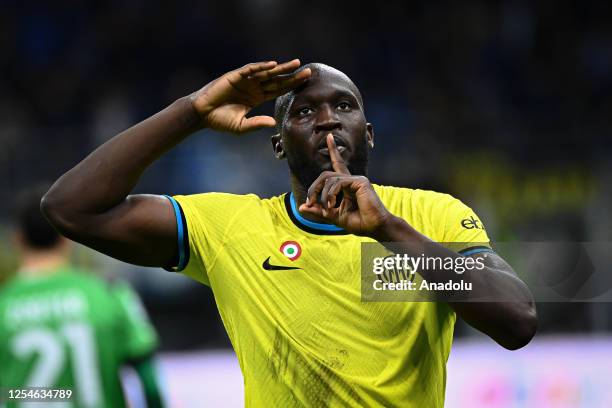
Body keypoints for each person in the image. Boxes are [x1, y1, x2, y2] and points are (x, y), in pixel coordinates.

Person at [42, 60, 537, 407]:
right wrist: (191, 111)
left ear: (368, 133)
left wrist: (389, 231)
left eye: (344, 107)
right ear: (279, 144)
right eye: (303, 112)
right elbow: (71, 208)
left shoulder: (430, 215)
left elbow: (517, 321)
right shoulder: (230, 227)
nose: (326, 121)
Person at [0, 187, 165, 408]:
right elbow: (150, 383)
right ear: (66, 237)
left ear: (17, 239)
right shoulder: (110, 294)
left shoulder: (4, 306)